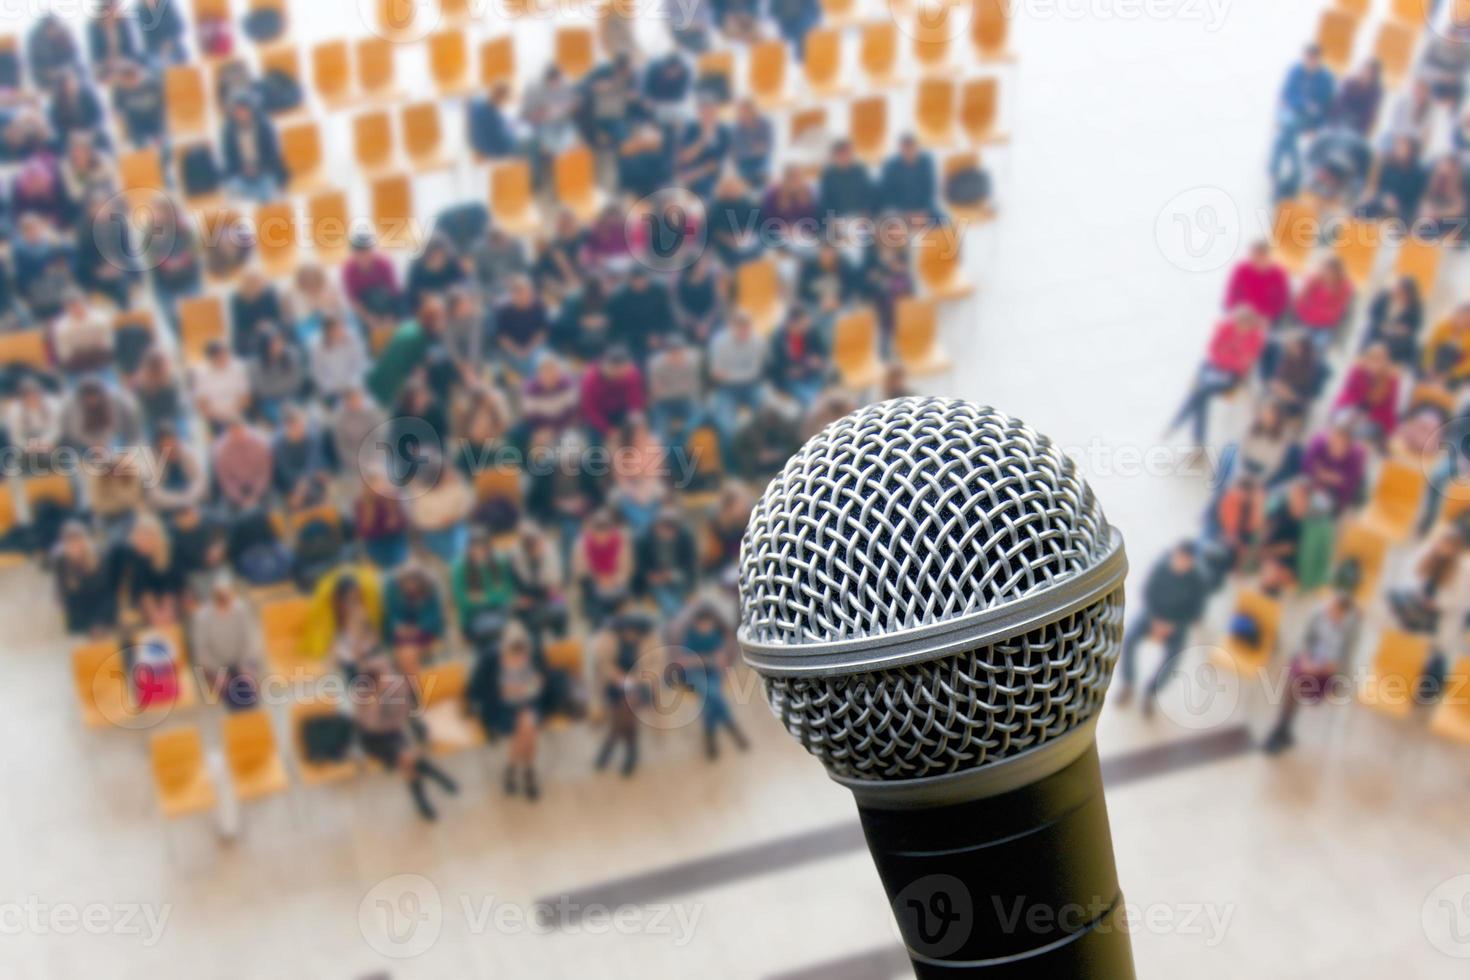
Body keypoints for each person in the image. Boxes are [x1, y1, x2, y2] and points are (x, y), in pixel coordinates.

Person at [353, 655, 460, 821]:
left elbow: (404, 711)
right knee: (406, 757)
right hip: (373, 738)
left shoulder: (392, 681)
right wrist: (375, 702)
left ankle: (423, 799)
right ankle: (434, 775)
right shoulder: (363, 695)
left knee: (406, 760)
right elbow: (372, 726)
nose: (389, 677)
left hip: (393, 732)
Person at [1262, 588, 1358, 755]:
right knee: (1294, 683)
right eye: (1330, 606)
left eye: (1334, 610)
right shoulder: (1319, 614)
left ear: (1343, 614)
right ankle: (1282, 730)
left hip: (1328, 673)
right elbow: (1305, 640)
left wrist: (1320, 668)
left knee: (1295, 685)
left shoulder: (1350, 630)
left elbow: (1342, 663)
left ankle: (1282, 730)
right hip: (1310, 662)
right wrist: (1306, 660)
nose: (1329, 610)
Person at [1115, 542, 1209, 711]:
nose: (1180, 563)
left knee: (1174, 659)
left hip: (1176, 625)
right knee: (1128, 640)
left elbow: (1196, 612)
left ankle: (1151, 692)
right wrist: (1155, 620)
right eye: (1178, 558)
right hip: (1152, 616)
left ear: (1192, 561)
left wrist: (1172, 624)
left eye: (1185, 560)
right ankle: (1128, 683)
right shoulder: (1160, 568)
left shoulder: (1198, 581)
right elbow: (1147, 592)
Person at [469, 620, 548, 799]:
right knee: (528, 729)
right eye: (514, 649)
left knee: (527, 726)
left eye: (522, 649)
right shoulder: (490, 659)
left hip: (529, 703)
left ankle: (512, 769)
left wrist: (528, 687)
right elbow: (478, 687)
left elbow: (542, 682)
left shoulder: (533, 655)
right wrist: (504, 690)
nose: (519, 654)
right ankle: (528, 771)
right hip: (501, 707)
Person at [1166, 307, 1267, 444]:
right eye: (1240, 323)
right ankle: (1195, 440)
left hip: (1232, 377)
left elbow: (1244, 364)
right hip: (1213, 369)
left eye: (1246, 324)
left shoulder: (1255, 338)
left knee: (1200, 393)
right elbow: (1212, 350)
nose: (1242, 327)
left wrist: (1226, 357)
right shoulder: (1226, 328)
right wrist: (1231, 358)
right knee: (1202, 396)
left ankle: (1179, 422)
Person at [668, 600, 749, 759]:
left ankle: (710, 738)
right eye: (702, 624)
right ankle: (733, 729)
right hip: (694, 674)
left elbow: (721, 658)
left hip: (712, 672)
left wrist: (709, 660)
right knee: (714, 695)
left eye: (709, 624)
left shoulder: (715, 636)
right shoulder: (690, 637)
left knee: (709, 701)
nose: (706, 627)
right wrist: (707, 659)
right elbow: (683, 660)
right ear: (696, 624)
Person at [593, 612, 659, 777]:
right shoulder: (611, 640)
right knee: (627, 708)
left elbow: (654, 668)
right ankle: (632, 752)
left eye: (635, 631)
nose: (631, 634)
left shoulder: (649, 642)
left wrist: (635, 680)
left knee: (628, 703)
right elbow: (604, 664)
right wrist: (618, 678)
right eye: (628, 631)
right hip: (616, 685)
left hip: (641, 685)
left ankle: (610, 744)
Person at [190, 572, 265, 707]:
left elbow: (252, 639)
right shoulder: (202, 617)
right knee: (232, 697)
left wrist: (246, 665)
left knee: (248, 693)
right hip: (217, 667)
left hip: (243, 663)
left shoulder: (241, 609)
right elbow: (201, 651)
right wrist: (218, 672)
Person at [1270, 45, 1335, 199]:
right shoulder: (1295, 71)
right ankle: (1288, 171)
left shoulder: (1325, 79)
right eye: (1308, 59)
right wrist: (1303, 104)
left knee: (1286, 134)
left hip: (1310, 119)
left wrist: (1317, 126)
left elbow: (1327, 107)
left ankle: (1277, 169)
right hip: (1293, 111)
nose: (1310, 62)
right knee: (1287, 130)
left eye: (1313, 60)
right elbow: (1287, 94)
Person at [52, 521, 118, 637]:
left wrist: (99, 623)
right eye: (70, 542)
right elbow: (65, 597)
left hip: (102, 611)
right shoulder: (61, 563)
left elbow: (107, 595)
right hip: (79, 618)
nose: (75, 546)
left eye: (78, 541)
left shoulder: (99, 559)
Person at [451, 528, 515, 640]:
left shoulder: (500, 561)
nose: (478, 551)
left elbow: (507, 592)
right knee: (489, 630)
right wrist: (493, 595)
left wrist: (484, 598)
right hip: (474, 615)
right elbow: (461, 600)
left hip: (499, 609)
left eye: (482, 547)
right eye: (474, 547)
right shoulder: (459, 567)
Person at [574, 508, 634, 626]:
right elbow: (580, 569)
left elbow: (626, 567)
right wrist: (597, 578)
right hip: (592, 581)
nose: (602, 538)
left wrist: (615, 579)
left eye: (605, 532)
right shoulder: (582, 543)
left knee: (621, 598)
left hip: (614, 580)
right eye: (598, 532)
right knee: (595, 604)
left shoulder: (620, 541)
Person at [635, 507, 699, 618]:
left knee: (682, 599)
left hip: (678, 576)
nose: (667, 536)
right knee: (669, 603)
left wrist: (674, 575)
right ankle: (679, 619)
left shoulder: (685, 538)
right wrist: (650, 576)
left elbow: (690, 565)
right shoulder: (643, 540)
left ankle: (679, 619)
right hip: (656, 580)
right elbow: (640, 566)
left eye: (671, 532)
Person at [1333, 343, 1400, 442]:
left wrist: (1367, 417)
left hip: (1376, 418)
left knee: (1358, 433)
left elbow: (1388, 408)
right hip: (1354, 409)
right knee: (1341, 422)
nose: (1374, 365)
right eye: (1371, 360)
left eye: (1378, 361)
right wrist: (1353, 411)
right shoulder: (1357, 371)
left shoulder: (1391, 380)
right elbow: (1349, 393)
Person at [579, 346, 646, 438]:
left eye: (624, 370)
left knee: (635, 433)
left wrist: (636, 420)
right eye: (616, 370)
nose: (620, 374)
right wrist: (608, 430)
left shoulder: (631, 373)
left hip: (622, 411)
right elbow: (590, 410)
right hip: (599, 414)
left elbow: (635, 401)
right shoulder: (590, 379)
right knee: (595, 443)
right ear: (606, 366)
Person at [767, 308, 829, 407]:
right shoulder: (778, 339)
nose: (805, 327)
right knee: (810, 398)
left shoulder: (812, 333)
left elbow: (823, 353)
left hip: (811, 374)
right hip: (790, 380)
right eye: (802, 324)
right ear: (792, 323)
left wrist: (819, 361)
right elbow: (774, 367)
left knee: (818, 390)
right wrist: (788, 371)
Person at [211, 417, 274, 513]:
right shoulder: (220, 450)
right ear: (228, 433)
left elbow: (264, 472)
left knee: (272, 510)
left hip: (259, 486)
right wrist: (241, 499)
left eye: (240, 431)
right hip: (236, 490)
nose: (238, 436)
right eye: (234, 433)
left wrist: (255, 496)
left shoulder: (261, 443)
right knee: (225, 513)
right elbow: (225, 480)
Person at [494, 275, 551, 378]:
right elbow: (502, 338)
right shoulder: (504, 311)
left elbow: (542, 331)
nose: (528, 296)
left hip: (535, 346)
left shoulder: (539, 305)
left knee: (548, 363)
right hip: (513, 350)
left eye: (530, 292)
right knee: (532, 370)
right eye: (524, 293)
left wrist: (530, 348)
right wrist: (518, 351)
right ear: (514, 294)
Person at [1290, 257, 1353, 347]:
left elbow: (1339, 309)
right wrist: (1304, 315)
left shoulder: (1344, 286)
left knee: (1319, 347)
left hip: (1325, 325)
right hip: (1306, 320)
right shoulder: (1313, 280)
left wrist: (1324, 316)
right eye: (1326, 270)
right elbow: (1300, 299)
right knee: (1299, 346)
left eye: (1332, 272)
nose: (1328, 274)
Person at [1361, 276, 1422, 367]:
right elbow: (1372, 313)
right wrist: (1382, 325)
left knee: (1411, 345)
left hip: (1397, 337)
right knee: (1371, 331)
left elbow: (1415, 326)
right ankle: (1368, 357)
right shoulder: (1384, 297)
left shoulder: (1415, 307)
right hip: (1380, 330)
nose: (1398, 293)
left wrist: (1403, 330)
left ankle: (1393, 365)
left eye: (1402, 292)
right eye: (1397, 289)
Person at [1223, 241, 1291, 323]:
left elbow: (1283, 300)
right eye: (1255, 255)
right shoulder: (1241, 270)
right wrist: (1237, 312)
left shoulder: (1278, 273)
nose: (1258, 259)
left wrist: (1269, 315)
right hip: (1243, 315)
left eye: (1262, 255)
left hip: (1269, 317)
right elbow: (1231, 295)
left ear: (1268, 256)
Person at [190, 341, 251, 432]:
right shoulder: (200, 373)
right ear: (211, 359)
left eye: (226, 355)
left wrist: (232, 413)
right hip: (215, 418)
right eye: (220, 357)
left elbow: (246, 399)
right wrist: (219, 416)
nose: (224, 359)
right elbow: (201, 405)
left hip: (237, 414)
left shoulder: (238, 367)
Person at [878, 134, 940, 222]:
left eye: (911, 149)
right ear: (901, 149)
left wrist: (923, 212)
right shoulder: (891, 166)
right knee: (887, 219)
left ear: (916, 148)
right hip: (899, 210)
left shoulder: (926, 163)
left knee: (943, 220)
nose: (909, 152)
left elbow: (930, 190)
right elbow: (888, 195)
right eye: (906, 149)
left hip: (923, 209)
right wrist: (904, 213)